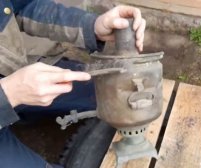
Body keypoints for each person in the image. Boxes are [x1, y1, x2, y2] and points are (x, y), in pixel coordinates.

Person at [0, 1, 146, 168]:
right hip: (8, 91)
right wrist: (8, 94)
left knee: (114, 94)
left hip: (11, 70)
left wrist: (92, 25)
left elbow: (21, 7)